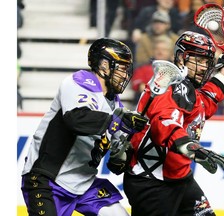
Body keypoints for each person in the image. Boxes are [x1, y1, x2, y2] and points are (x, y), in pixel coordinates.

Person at [107, 31, 224, 215]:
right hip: (152, 182)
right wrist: (192, 148)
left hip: (180, 177)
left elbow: (204, 104)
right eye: (197, 61)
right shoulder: (168, 84)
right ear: (181, 59)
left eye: (206, 62)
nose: (203, 68)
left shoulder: (189, 87)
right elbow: (165, 123)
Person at [20, 38, 148, 216]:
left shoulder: (116, 106)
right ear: (103, 65)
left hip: (84, 183)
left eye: (127, 69)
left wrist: (122, 154)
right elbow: (76, 119)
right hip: (48, 179)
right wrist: (118, 121)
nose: (125, 75)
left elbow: (115, 165)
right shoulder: (78, 82)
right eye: (121, 67)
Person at [131, 35, 174, 106]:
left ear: (170, 52)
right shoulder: (142, 68)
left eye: (164, 49)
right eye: (157, 49)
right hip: (145, 106)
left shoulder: (176, 71)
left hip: (169, 106)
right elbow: (141, 88)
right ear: (153, 51)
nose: (160, 52)